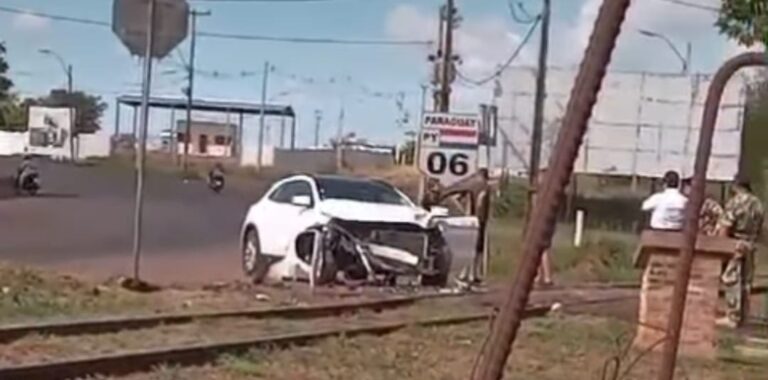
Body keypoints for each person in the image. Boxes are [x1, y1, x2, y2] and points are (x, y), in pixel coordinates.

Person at [715, 175, 764, 328]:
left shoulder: (736, 202)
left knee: (732, 278)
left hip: (736, 243)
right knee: (746, 281)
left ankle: (733, 316)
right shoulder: (758, 203)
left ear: (736, 186)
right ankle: (744, 315)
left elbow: (726, 224)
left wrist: (720, 246)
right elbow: (761, 227)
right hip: (751, 243)